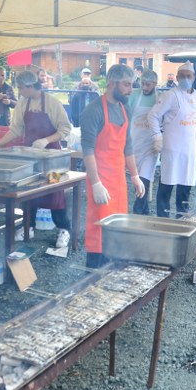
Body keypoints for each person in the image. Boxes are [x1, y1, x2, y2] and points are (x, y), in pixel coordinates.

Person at [0, 71, 73, 248]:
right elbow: (16, 129)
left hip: (52, 158)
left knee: (55, 192)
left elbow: (65, 128)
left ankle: (64, 229)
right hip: (30, 155)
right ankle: (28, 227)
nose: (19, 91)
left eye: (21, 88)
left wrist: (46, 140)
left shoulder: (52, 103)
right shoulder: (23, 102)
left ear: (31, 86)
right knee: (29, 191)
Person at [81, 64, 145, 267]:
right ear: (112, 83)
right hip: (100, 177)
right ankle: (92, 275)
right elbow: (87, 150)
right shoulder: (94, 110)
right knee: (99, 229)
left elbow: (128, 146)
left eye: (131, 84)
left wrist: (134, 175)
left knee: (117, 227)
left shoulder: (124, 108)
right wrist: (96, 183)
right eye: (127, 84)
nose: (130, 89)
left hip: (118, 179)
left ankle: (112, 272)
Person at [147, 61, 196, 218]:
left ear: (194, 77)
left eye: (188, 76)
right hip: (172, 148)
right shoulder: (170, 95)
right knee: (167, 184)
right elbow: (153, 115)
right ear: (177, 78)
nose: (185, 79)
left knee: (186, 185)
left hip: (191, 149)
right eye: (182, 76)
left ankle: (182, 218)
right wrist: (157, 136)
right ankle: (163, 220)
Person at [128, 69, 160, 215]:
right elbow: (125, 116)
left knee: (144, 179)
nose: (145, 88)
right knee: (137, 179)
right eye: (143, 84)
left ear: (155, 84)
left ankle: (137, 210)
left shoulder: (160, 98)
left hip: (151, 146)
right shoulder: (134, 95)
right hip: (134, 144)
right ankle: (144, 211)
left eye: (149, 85)